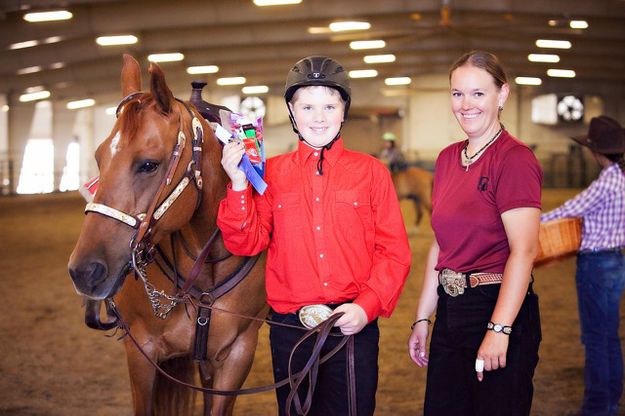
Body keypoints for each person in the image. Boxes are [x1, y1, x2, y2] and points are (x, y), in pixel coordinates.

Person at [217, 55, 411, 415]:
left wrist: (366, 307)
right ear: (291, 112)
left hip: (351, 324)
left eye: (329, 106)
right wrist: (240, 184)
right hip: (291, 329)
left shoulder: (372, 173)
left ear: (343, 111)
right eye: (307, 106)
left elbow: (394, 252)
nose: (318, 117)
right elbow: (246, 242)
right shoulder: (269, 175)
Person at [407, 50, 543, 415]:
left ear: (502, 95)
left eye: (478, 93)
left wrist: (499, 329)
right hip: (452, 310)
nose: (465, 105)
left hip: (497, 303)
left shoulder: (514, 159)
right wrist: (423, 318)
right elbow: (441, 244)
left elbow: (524, 251)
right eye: (457, 93)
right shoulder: (447, 158)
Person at [541, 115, 625, 416]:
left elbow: (569, 209)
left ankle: (598, 407)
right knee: (609, 335)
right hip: (616, 260)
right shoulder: (622, 179)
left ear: (596, 151)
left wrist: (531, 222)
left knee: (595, 338)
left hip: (597, 263)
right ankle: (611, 400)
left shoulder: (607, 182)